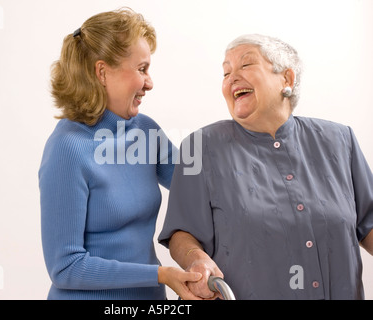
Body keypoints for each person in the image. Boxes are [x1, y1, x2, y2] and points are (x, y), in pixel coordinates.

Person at [159, 34, 373, 300]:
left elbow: (369, 223)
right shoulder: (199, 147)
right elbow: (182, 231)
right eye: (226, 72)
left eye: (246, 65)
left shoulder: (340, 141)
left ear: (287, 79)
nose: (232, 78)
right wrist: (196, 260)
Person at [39, 8, 201, 300]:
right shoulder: (67, 150)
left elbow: (200, 186)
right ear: (102, 72)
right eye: (142, 69)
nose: (149, 82)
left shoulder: (145, 131)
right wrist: (160, 274)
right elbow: (65, 267)